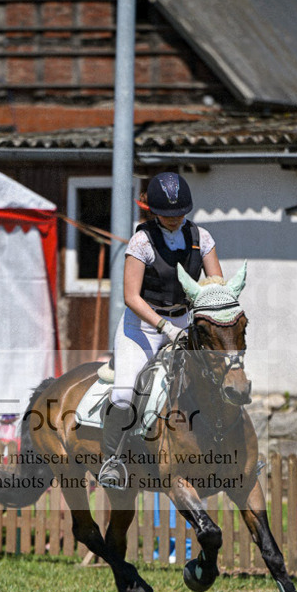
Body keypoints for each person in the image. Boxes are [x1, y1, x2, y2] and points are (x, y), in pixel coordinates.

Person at [98, 172, 223, 488]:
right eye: (167, 215)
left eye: (179, 213)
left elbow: (215, 287)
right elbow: (131, 296)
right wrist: (166, 327)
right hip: (142, 328)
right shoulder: (141, 241)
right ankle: (111, 461)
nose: (174, 219)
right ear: (153, 211)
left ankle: (227, 450)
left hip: (185, 324)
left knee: (217, 382)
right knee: (126, 394)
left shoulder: (202, 238)